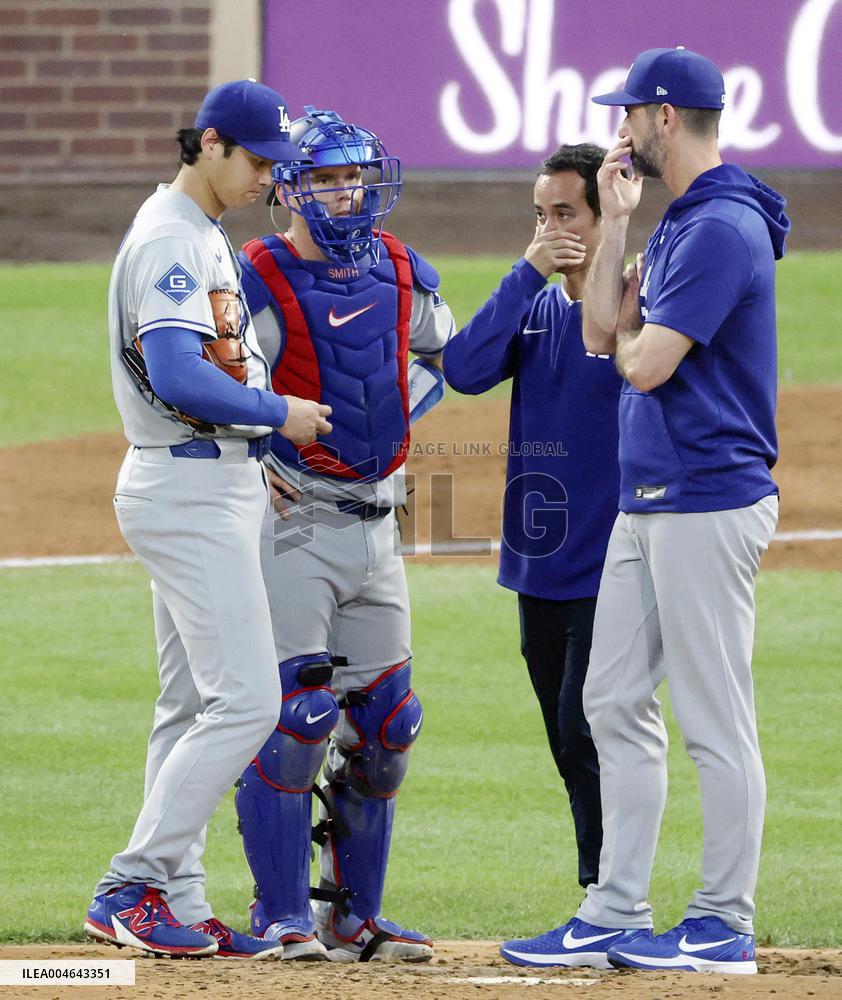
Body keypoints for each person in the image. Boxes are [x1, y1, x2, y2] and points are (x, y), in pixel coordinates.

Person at [503, 47, 789, 975]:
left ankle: (722, 921)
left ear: (665, 118)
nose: (620, 129)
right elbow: (600, 331)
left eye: (630, 113)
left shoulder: (719, 230)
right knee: (610, 697)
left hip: (707, 495)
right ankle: (615, 908)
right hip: (649, 496)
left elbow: (641, 363)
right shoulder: (671, 224)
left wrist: (628, 333)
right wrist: (617, 227)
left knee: (715, 714)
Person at [84, 80, 332, 960]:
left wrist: (251, 457)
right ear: (212, 144)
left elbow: (212, 368)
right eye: (259, 161)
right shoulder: (169, 241)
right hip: (184, 491)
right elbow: (180, 375)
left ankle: (176, 900)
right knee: (248, 699)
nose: (270, 178)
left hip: (211, 479)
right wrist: (277, 417)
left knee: (189, 702)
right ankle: (131, 882)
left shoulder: (202, 233)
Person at [231, 107, 454, 962]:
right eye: (327, 177)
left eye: (355, 176)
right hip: (294, 523)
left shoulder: (400, 268)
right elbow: (217, 389)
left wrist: (399, 421)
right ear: (289, 185)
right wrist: (259, 461)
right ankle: (281, 914)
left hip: (378, 521)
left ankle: (355, 918)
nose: (347, 193)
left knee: (391, 724)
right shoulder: (256, 276)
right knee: (298, 720)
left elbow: (445, 355)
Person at [442, 144, 621, 923]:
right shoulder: (538, 308)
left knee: (587, 725)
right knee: (562, 732)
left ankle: (611, 894)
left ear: (603, 212)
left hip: (613, 563)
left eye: (565, 215)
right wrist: (527, 271)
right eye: (540, 216)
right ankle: (604, 885)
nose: (550, 229)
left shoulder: (637, 301)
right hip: (539, 562)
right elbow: (463, 368)